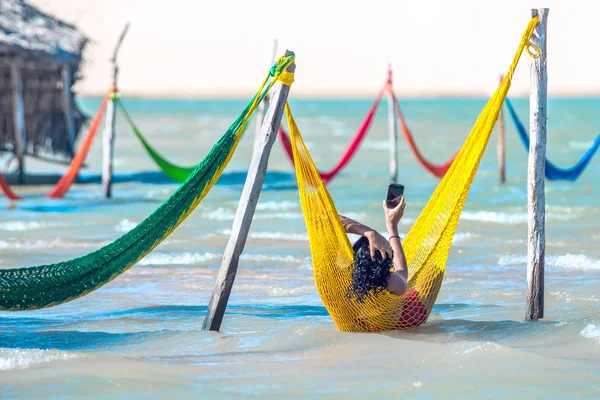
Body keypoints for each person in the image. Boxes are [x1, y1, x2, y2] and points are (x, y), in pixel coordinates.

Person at [339, 195, 408, 302]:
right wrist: (392, 226)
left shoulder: (343, 280)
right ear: (386, 257)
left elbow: (327, 218)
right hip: (386, 318)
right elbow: (402, 272)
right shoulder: (391, 282)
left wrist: (369, 233)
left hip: (351, 317)